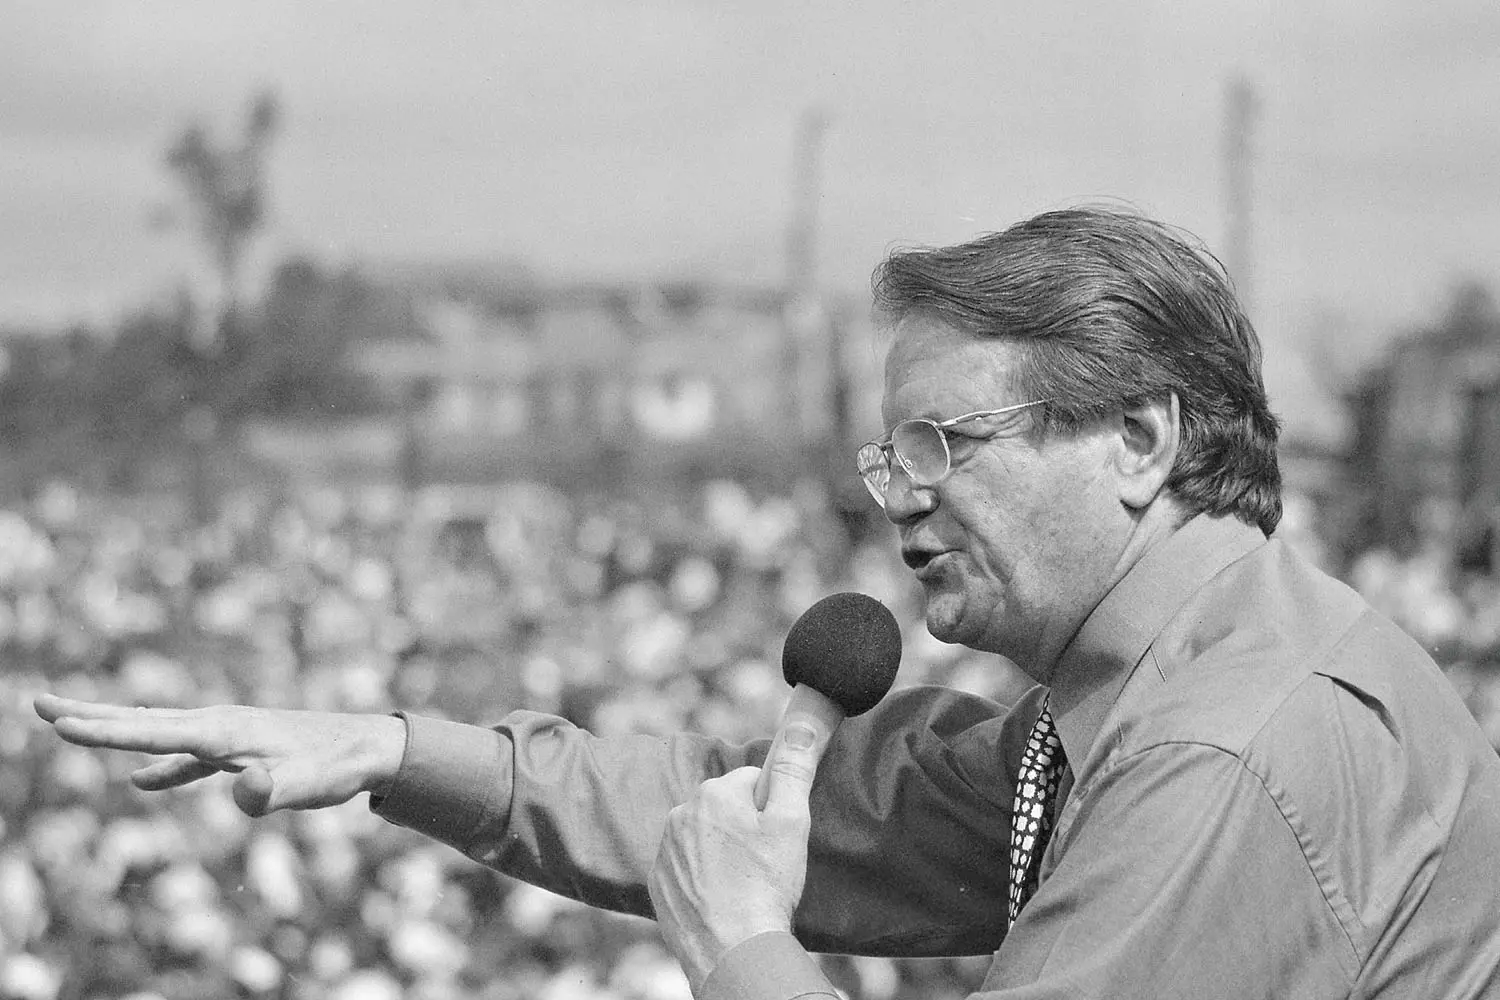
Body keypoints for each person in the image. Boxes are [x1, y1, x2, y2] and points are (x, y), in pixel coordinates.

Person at [36, 207, 1500, 999]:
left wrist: (740, 951)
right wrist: (398, 747)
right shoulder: (1164, 681)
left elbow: (753, 876)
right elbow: (789, 814)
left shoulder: (1215, 751)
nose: (899, 495)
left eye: (945, 444)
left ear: (1139, 441)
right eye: (888, 453)